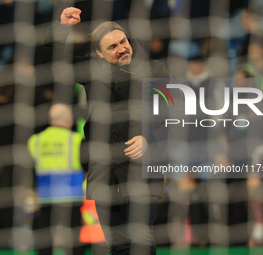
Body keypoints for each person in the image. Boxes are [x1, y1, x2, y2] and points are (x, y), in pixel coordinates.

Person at [42, 7, 183, 255]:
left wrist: (150, 139)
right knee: (116, 245)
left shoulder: (156, 70)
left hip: (142, 169)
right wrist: (61, 27)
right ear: (98, 53)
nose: (121, 49)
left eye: (123, 42)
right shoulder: (92, 71)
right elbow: (55, 64)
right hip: (103, 171)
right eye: (112, 47)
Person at [27, 103, 85, 255]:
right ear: (69, 119)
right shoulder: (76, 139)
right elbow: (87, 167)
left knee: (46, 240)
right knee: (73, 240)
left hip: (46, 195)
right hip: (71, 195)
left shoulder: (35, 140)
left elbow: (30, 168)